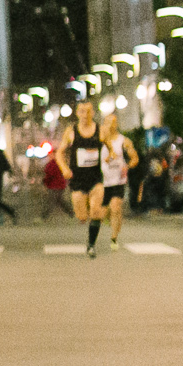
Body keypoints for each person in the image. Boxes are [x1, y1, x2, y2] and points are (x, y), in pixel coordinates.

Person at [53, 100, 108, 257]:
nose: (86, 115)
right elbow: (59, 153)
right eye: (82, 111)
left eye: (89, 111)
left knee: (96, 211)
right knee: (82, 216)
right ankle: (87, 213)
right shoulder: (71, 131)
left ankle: (91, 245)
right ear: (77, 113)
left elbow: (111, 148)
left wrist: (111, 156)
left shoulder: (100, 131)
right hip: (78, 178)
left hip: (95, 177)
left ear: (93, 113)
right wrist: (64, 168)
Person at [97, 112, 139, 251]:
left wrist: (127, 166)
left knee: (116, 207)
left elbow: (134, 158)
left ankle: (114, 237)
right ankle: (110, 218)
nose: (111, 125)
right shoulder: (99, 141)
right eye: (108, 122)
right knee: (102, 213)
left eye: (114, 122)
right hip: (103, 181)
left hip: (118, 180)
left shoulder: (123, 141)